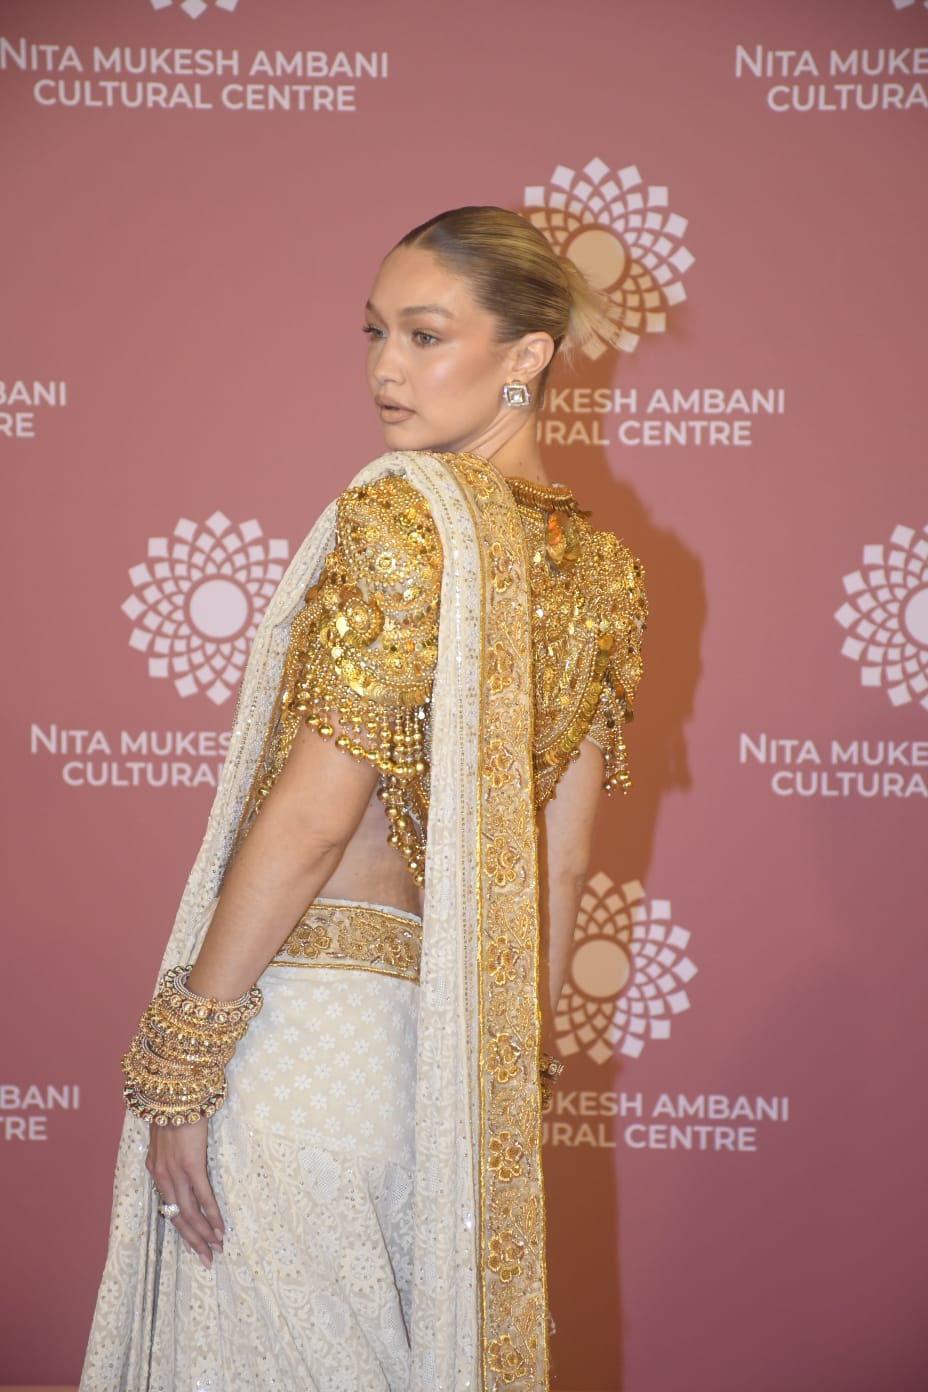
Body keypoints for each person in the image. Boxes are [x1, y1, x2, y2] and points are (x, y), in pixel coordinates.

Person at [80, 206, 647, 1392]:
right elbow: (556, 870)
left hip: (299, 1047)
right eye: (375, 331)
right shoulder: (602, 574)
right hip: (432, 1077)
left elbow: (311, 821)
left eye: (426, 335)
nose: (387, 366)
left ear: (527, 356)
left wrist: (181, 1059)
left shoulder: (402, 518)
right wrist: (502, 1094)